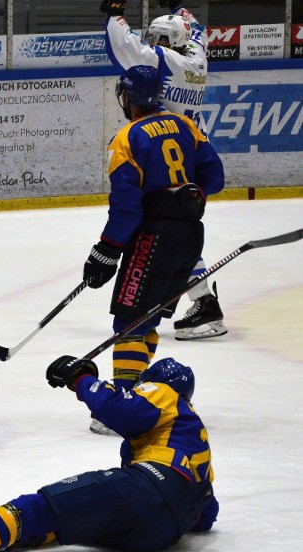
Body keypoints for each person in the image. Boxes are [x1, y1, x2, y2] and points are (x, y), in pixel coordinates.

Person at [0, 356, 218, 552]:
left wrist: (82, 379)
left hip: (146, 488)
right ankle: (18, 534)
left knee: (41, 507)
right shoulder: (192, 438)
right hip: (161, 534)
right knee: (71, 519)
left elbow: (122, 410)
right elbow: (206, 515)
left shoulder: (165, 396)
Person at [83, 64, 223, 434]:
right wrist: (181, 201)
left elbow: (126, 209)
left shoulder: (127, 139)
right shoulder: (185, 125)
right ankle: (138, 394)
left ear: (128, 97)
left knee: (128, 322)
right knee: (150, 317)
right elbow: (215, 178)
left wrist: (106, 249)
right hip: (191, 236)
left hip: (153, 239)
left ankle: (123, 406)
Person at [102, 0, 226, 340]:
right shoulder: (196, 56)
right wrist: (180, 7)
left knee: (159, 232)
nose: (154, 43)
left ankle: (195, 302)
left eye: (159, 38)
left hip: (161, 149)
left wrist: (114, 13)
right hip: (189, 148)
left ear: (171, 43)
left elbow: (123, 46)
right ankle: (202, 301)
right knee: (175, 231)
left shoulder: (165, 61)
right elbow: (196, 29)